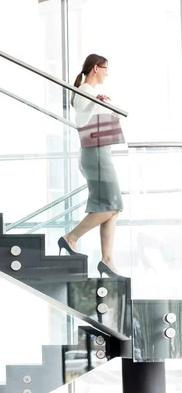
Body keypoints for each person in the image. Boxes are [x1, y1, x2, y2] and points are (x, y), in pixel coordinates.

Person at [58, 54, 124, 278]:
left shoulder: (90, 94)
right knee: (112, 205)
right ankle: (71, 238)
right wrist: (99, 102)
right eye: (105, 69)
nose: (107, 73)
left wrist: (102, 103)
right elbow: (83, 120)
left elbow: (99, 116)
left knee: (112, 207)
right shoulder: (85, 91)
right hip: (95, 153)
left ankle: (106, 260)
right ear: (96, 68)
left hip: (98, 152)